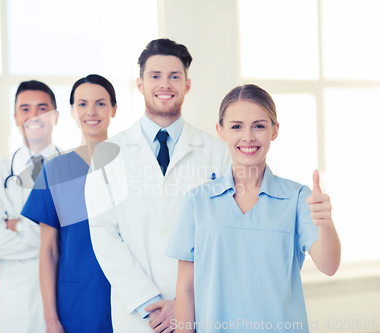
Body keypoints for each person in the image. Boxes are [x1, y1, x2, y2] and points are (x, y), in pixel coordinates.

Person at [167, 84, 341, 333]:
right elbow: (186, 286)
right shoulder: (197, 202)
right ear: (221, 131)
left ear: (274, 130)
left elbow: (329, 266)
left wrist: (325, 223)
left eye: (259, 125)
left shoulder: (298, 198)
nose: (248, 136)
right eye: (236, 126)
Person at [84, 39, 231, 333]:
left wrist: (183, 302)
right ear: (140, 84)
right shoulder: (108, 154)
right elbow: (104, 234)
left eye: (175, 76)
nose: (165, 84)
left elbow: (227, 236)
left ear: (187, 85)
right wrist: (148, 301)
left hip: (201, 311)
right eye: (155, 76)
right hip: (140, 317)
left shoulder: (219, 153)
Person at [21, 74, 116, 333]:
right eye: (82, 104)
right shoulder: (54, 170)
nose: (91, 111)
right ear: (73, 112)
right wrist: (51, 320)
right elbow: (49, 249)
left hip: (127, 294)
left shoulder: (133, 166)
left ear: (114, 109)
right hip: (76, 302)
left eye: (101, 103)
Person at [0, 80, 61, 333]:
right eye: (25, 109)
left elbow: (80, 240)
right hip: (16, 304)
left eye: (42, 108)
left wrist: (18, 226)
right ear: (15, 117)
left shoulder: (76, 171)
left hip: (64, 293)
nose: (33, 116)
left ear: (55, 116)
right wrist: (52, 237)